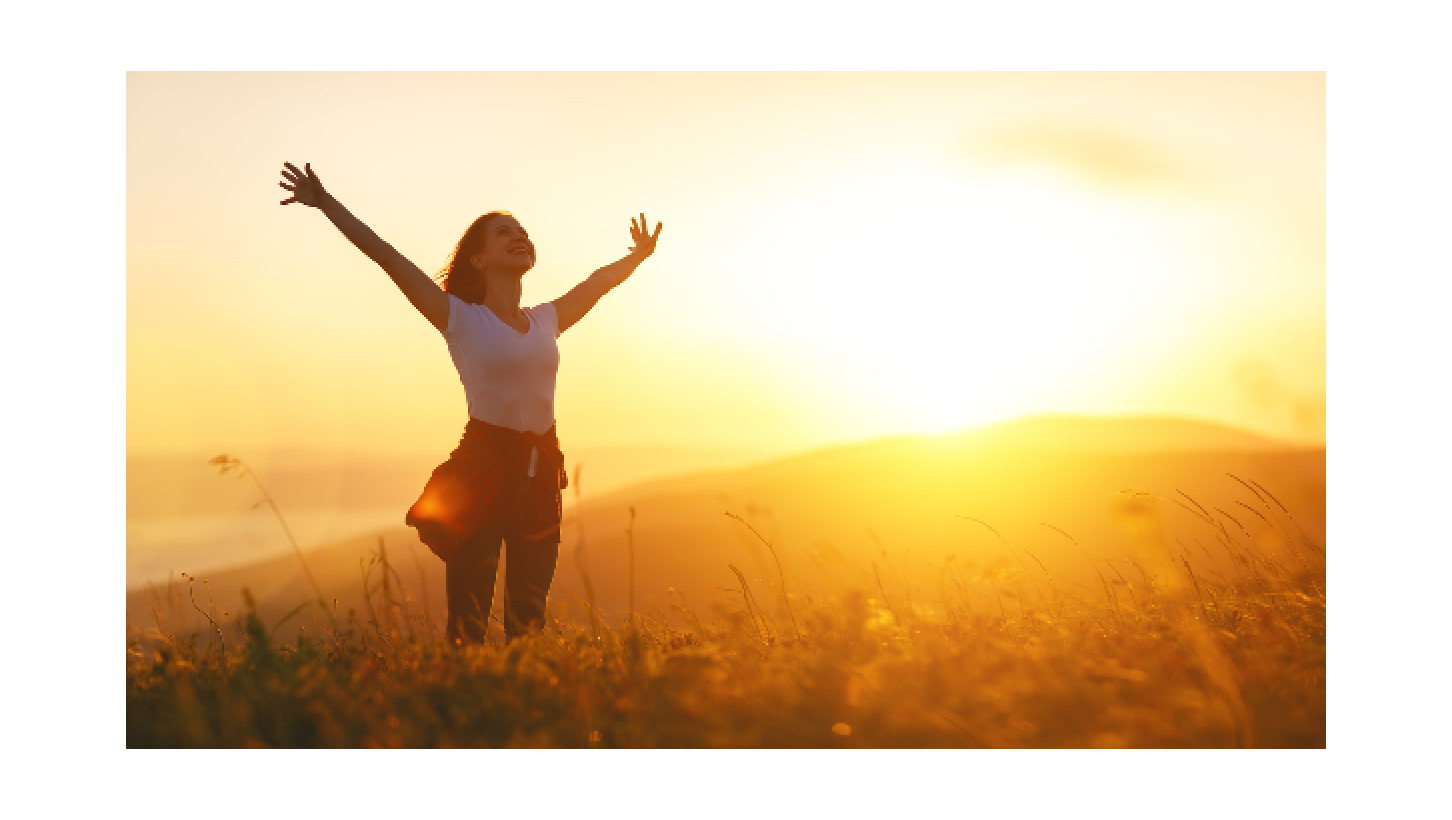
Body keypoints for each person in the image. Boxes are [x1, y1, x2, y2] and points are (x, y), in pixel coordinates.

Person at [277, 162, 662, 643]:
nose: (519, 236)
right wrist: (327, 203)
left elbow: (597, 284)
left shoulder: (547, 320)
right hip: (481, 466)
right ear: (478, 260)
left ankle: (522, 700)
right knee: (469, 618)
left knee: (529, 616)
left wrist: (638, 257)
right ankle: (466, 702)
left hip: (541, 470)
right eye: (504, 233)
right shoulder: (457, 317)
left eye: (522, 231)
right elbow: (388, 258)